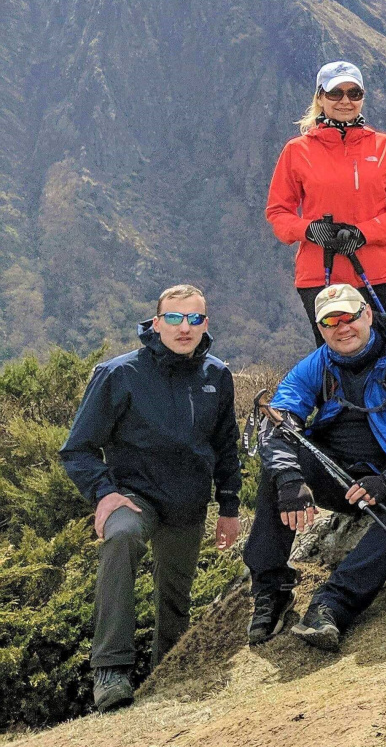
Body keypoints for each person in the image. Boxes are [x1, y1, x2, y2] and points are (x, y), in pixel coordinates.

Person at [59, 285, 241, 712]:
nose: (184, 328)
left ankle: (169, 674)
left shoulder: (218, 375)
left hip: (188, 504)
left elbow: (226, 447)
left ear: (205, 324)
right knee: (120, 540)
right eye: (174, 318)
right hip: (134, 499)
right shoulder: (118, 374)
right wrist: (103, 493)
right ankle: (111, 671)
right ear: (156, 323)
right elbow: (77, 448)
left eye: (194, 319)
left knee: (174, 597)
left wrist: (229, 507)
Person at [244, 284, 386, 652]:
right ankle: (271, 590)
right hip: (335, 473)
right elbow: (278, 421)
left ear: (367, 314)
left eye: (350, 316)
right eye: (330, 321)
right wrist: (290, 479)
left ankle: (332, 605)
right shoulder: (318, 365)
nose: (342, 327)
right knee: (281, 465)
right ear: (320, 328)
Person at [265, 59, 386, 369]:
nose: (346, 101)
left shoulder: (384, 146)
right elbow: (278, 212)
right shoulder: (297, 150)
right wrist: (308, 230)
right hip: (321, 275)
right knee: (339, 358)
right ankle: (346, 417)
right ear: (320, 97)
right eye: (336, 93)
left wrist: (365, 233)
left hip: (380, 271)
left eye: (354, 93)